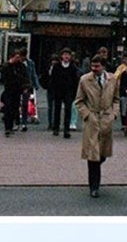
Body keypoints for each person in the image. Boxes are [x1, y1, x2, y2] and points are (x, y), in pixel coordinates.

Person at [74, 56, 119, 198]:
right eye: (92, 66)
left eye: (97, 66)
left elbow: (116, 99)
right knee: (92, 155)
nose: (94, 69)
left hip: (106, 118)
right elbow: (79, 101)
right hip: (92, 119)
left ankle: (95, 176)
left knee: (102, 154)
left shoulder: (113, 79)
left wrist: (114, 114)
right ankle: (94, 186)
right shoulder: (84, 80)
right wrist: (87, 115)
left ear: (104, 66)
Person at [47, 48, 80, 138]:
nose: (66, 56)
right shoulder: (56, 66)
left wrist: (75, 92)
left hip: (68, 92)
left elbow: (75, 81)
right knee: (57, 110)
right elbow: (53, 80)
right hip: (58, 91)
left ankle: (66, 130)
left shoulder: (73, 67)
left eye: (68, 55)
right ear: (61, 56)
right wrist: (53, 90)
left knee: (68, 110)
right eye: (64, 54)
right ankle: (56, 128)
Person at [0, 47, 31, 137]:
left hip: (18, 90)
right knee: (8, 108)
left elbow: (26, 77)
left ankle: (11, 125)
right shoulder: (7, 66)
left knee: (15, 109)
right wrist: (9, 63)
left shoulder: (21, 66)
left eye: (19, 57)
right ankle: (7, 128)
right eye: (16, 57)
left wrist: (25, 87)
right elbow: (3, 75)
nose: (18, 59)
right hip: (8, 90)